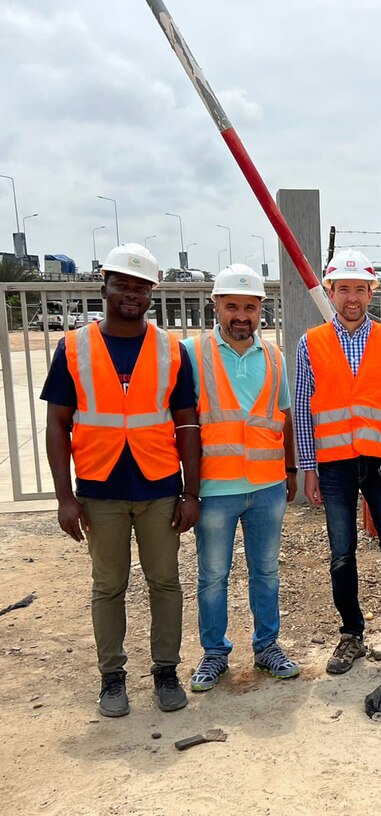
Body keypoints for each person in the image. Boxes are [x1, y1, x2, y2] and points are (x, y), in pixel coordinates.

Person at [41, 243, 200, 716]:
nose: (131, 294)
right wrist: (64, 498)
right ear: (104, 285)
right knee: (108, 586)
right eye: (122, 284)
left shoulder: (172, 350)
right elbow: (57, 425)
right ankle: (112, 678)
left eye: (140, 287)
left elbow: (188, 424)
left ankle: (166, 672)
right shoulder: (73, 347)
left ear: (151, 294)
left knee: (165, 583)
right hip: (100, 488)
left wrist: (190, 491)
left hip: (158, 487)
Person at [295, 250, 381, 677]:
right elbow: (302, 408)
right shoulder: (310, 342)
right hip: (333, 466)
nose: (352, 297)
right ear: (331, 292)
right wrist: (308, 467)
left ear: (371, 292)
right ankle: (351, 635)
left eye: (360, 289)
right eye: (343, 289)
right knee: (341, 555)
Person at [181, 265, 300, 692]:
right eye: (232, 305)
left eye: (249, 307)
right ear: (216, 306)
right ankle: (214, 653)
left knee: (266, 572)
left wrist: (289, 469)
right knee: (213, 576)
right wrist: (189, 489)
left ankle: (267, 647)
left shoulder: (274, 356)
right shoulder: (193, 354)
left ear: (260, 310)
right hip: (216, 489)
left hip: (267, 486)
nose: (241, 315)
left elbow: (282, 417)